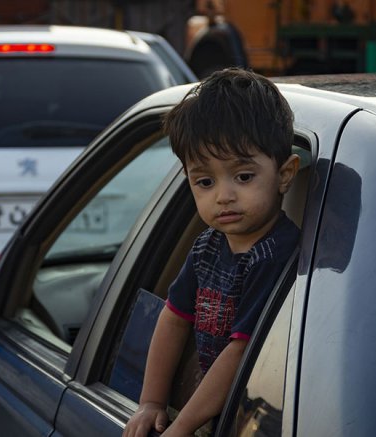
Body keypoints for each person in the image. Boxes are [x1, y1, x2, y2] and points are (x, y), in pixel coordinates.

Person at [123, 68, 300, 437]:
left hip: (257, 417)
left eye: (244, 176)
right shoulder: (208, 245)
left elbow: (240, 355)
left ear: (285, 174)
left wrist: (181, 427)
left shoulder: (275, 254)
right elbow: (174, 318)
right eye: (205, 182)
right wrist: (151, 402)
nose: (223, 195)